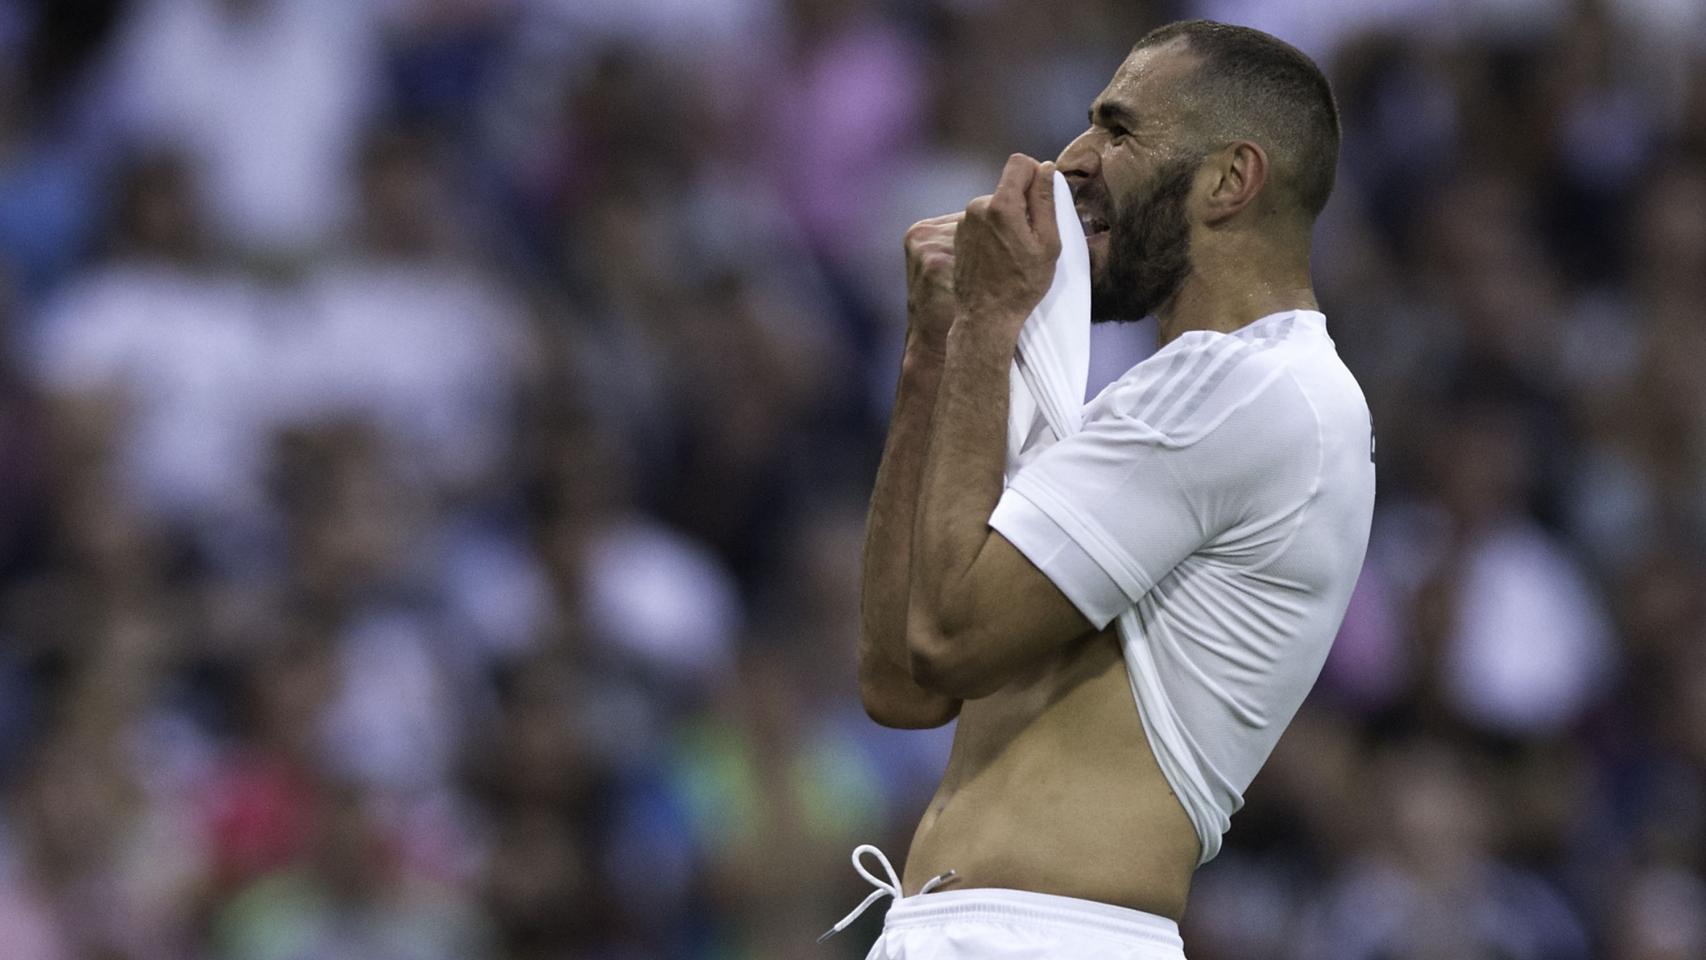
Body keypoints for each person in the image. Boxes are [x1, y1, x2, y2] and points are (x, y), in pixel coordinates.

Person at [845, 19, 1375, 959]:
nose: (1072, 160)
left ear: (1230, 180)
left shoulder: (1251, 389)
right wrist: (934, 349)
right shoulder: (1172, 400)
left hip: (1049, 938)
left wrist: (990, 322)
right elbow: (901, 685)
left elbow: (946, 639)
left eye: (1119, 130)